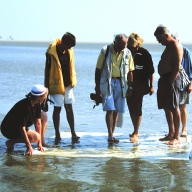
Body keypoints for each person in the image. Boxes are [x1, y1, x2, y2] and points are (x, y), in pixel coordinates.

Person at [95, 34, 134, 143]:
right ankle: (110, 135)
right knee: (110, 109)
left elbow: (131, 70)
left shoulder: (127, 53)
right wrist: (97, 87)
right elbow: (98, 70)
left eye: (125, 45)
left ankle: (112, 134)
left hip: (122, 83)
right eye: (121, 45)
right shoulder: (105, 50)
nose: (123, 47)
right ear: (115, 42)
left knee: (117, 110)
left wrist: (130, 86)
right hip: (107, 82)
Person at [44, 32, 79, 141]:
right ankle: (57, 133)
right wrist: (46, 89)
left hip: (68, 84)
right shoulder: (51, 52)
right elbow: (47, 70)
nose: (70, 48)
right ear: (63, 42)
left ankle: (73, 133)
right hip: (56, 84)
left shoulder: (69, 51)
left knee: (69, 108)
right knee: (57, 108)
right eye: (69, 46)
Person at [154, 25, 183, 145]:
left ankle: (176, 136)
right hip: (164, 79)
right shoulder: (168, 46)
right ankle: (171, 133)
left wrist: (170, 81)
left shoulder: (175, 45)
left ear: (166, 35)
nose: (159, 42)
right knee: (166, 107)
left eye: (160, 40)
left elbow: (177, 66)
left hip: (172, 79)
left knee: (174, 107)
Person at [0, 84, 48, 155]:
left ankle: (41, 141)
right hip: (9, 129)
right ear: (38, 97)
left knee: (43, 115)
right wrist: (29, 146)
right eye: (44, 96)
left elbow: (38, 123)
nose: (45, 97)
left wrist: (39, 143)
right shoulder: (26, 107)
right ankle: (11, 142)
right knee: (36, 137)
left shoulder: (37, 103)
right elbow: (21, 128)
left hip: (20, 126)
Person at [127, 33, 155, 142]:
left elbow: (151, 72)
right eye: (129, 47)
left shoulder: (145, 53)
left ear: (138, 45)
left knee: (137, 107)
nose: (131, 49)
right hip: (129, 84)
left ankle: (136, 132)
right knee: (130, 106)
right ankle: (135, 128)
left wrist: (152, 86)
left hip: (141, 84)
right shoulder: (126, 52)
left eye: (133, 47)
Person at [171, 33, 192, 137]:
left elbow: (191, 69)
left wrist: (190, 84)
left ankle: (184, 129)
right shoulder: (169, 51)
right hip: (173, 83)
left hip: (184, 83)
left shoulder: (186, 52)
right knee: (172, 107)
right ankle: (173, 130)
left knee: (182, 106)